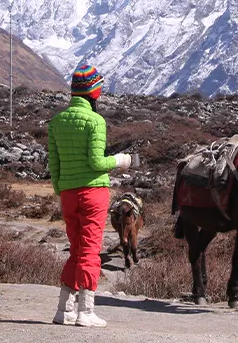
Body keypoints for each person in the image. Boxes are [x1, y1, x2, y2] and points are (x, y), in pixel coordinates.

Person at [49, 64, 134, 327]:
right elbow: (97, 162)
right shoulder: (96, 121)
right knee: (90, 251)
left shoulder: (57, 121)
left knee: (76, 250)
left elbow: (54, 165)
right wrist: (121, 160)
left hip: (68, 194)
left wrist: (61, 191)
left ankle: (64, 309)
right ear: (93, 91)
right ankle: (86, 311)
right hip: (93, 193)